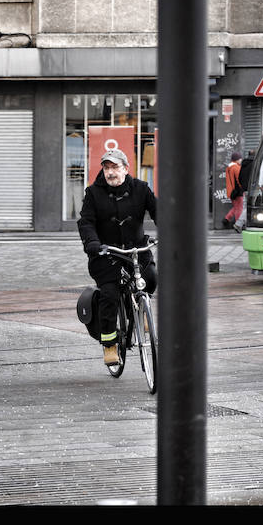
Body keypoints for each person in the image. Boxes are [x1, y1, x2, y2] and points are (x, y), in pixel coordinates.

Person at [78, 147, 157, 367]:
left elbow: (158, 211)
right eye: (106, 168)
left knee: (151, 277)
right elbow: (86, 222)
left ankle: (141, 311)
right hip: (106, 253)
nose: (110, 172)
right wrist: (92, 243)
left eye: (115, 167)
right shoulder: (93, 193)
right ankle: (110, 344)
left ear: (125, 168)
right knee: (109, 295)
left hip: (136, 250)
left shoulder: (141, 189)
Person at [233, 151, 255, 232]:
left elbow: (240, 177)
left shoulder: (244, 165)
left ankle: (245, 224)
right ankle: (239, 223)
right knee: (249, 207)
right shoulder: (254, 164)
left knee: (246, 206)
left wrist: (243, 186)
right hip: (252, 188)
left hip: (245, 189)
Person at [222, 151, 243, 229]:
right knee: (239, 208)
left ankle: (227, 219)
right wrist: (243, 188)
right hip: (237, 191)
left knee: (236, 207)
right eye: (240, 158)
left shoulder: (229, 168)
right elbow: (239, 179)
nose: (241, 160)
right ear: (236, 159)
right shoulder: (236, 167)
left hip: (231, 191)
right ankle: (238, 224)